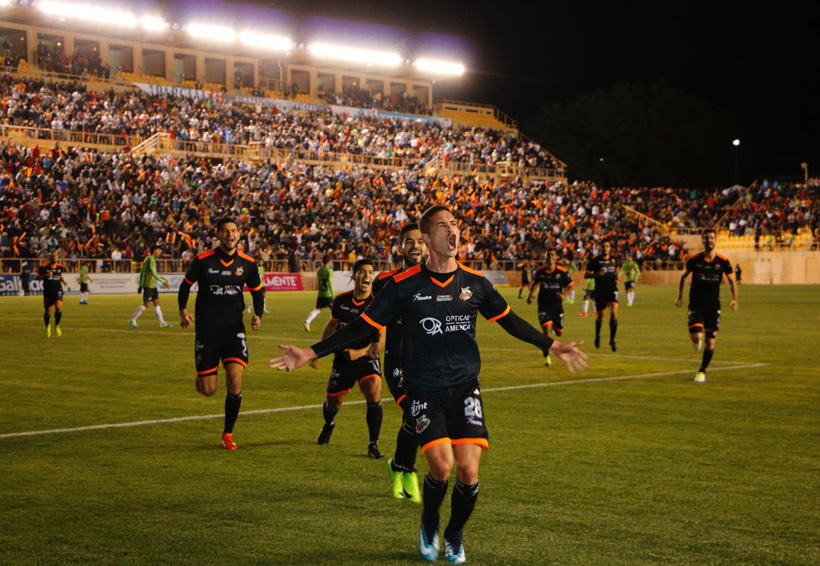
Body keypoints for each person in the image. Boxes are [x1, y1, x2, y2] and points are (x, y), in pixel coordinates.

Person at [270, 205, 587, 564]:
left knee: (469, 471)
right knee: (441, 466)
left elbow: (509, 321)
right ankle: (429, 521)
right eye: (442, 226)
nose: (452, 231)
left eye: (455, 224)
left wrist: (552, 345)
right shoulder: (402, 286)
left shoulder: (476, 283)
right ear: (427, 238)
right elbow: (362, 327)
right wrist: (310, 352)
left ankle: (453, 534)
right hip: (424, 388)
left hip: (465, 387)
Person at [178, 218, 266, 449]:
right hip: (207, 331)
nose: (230, 235)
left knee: (235, 379)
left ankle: (227, 434)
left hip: (233, 329)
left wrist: (258, 314)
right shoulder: (203, 260)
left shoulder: (247, 263)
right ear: (218, 234)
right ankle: (203, 376)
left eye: (234, 231)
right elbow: (186, 285)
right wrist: (183, 311)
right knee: (209, 391)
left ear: (239, 235)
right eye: (225, 231)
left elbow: (258, 292)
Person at [371, 223, 427, 503]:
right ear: (400, 247)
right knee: (415, 413)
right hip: (397, 361)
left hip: (427, 363)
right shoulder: (384, 281)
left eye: (419, 241)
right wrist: (373, 340)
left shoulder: (436, 278)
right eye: (409, 242)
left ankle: (400, 466)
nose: (415, 246)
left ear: (427, 244)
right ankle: (405, 467)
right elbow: (371, 317)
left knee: (416, 417)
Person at [316, 258, 386, 458]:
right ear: (354, 275)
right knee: (333, 404)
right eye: (362, 271)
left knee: (374, 390)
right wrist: (319, 351)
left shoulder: (378, 303)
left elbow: (381, 339)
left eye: (371, 272)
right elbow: (332, 326)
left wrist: (360, 352)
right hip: (342, 360)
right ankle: (329, 423)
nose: (367, 276)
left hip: (367, 357)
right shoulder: (341, 301)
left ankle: (373, 444)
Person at [675, 229, 738, 382]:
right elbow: (683, 278)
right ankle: (697, 340)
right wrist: (679, 297)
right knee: (697, 337)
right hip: (696, 304)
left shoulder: (723, 261)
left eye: (711, 238)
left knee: (711, 341)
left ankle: (702, 371)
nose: (709, 240)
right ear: (703, 241)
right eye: (706, 238)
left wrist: (734, 299)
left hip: (713, 306)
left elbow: (732, 281)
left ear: (715, 240)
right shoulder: (694, 260)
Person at [527, 248, 574, 367]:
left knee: (559, 334)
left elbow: (571, 285)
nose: (550, 257)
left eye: (552, 255)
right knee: (546, 333)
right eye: (548, 255)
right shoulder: (540, 272)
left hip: (557, 307)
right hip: (543, 305)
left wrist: (564, 295)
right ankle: (546, 357)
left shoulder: (562, 272)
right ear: (545, 257)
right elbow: (535, 284)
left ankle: (554, 325)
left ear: (556, 257)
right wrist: (530, 296)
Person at [585, 240, 619, 351]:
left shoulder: (614, 259)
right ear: (600, 248)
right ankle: (597, 336)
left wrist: (617, 276)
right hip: (600, 292)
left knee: (614, 313)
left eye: (607, 246)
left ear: (610, 248)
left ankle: (612, 340)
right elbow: (586, 275)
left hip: (612, 290)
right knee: (601, 317)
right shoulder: (595, 261)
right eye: (603, 247)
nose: (606, 248)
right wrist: (597, 274)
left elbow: (616, 270)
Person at [129, 245, 172, 329]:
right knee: (146, 304)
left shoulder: (147, 259)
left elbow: (143, 273)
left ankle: (162, 322)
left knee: (156, 302)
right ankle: (133, 319)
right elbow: (153, 273)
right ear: (155, 250)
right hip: (149, 286)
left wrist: (140, 286)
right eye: (159, 250)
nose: (160, 252)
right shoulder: (151, 260)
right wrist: (164, 282)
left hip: (152, 285)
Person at [37, 252, 67, 337]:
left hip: (58, 290)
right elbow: (37, 277)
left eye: (56, 256)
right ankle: (47, 326)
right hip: (48, 291)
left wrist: (63, 281)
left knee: (58, 307)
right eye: (53, 256)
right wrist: (46, 275)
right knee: (47, 312)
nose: (54, 257)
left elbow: (59, 275)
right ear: (50, 257)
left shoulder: (60, 267)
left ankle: (57, 325)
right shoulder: (44, 267)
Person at [304, 254, 333, 331]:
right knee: (334, 309)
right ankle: (333, 326)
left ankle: (307, 322)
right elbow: (329, 282)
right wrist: (332, 293)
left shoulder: (319, 270)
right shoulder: (329, 271)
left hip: (320, 293)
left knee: (318, 309)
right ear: (328, 262)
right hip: (327, 294)